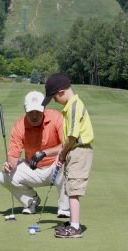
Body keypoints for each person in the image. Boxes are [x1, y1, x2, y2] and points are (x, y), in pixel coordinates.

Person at [0, 91, 70, 217]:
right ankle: (32, 202)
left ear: (44, 109)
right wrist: (9, 165)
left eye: (38, 112)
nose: (34, 116)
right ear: (25, 109)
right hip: (33, 168)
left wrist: (45, 153)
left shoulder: (56, 117)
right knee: (4, 176)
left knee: (66, 158)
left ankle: (64, 208)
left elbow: (67, 144)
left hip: (55, 167)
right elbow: (13, 157)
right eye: (31, 112)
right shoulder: (19, 125)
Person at [42, 72, 94, 238]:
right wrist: (64, 154)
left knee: (73, 189)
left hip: (79, 150)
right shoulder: (71, 105)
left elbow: (72, 136)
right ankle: (73, 222)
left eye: (54, 97)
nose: (55, 101)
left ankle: (75, 228)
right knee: (70, 186)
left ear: (61, 91)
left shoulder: (73, 107)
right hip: (74, 150)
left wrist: (62, 153)